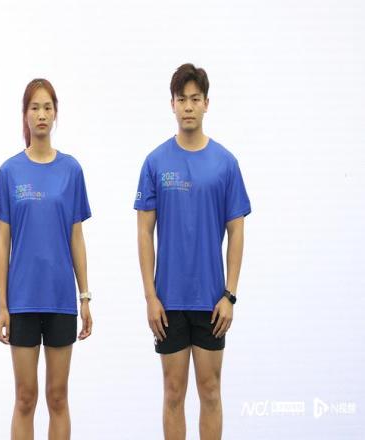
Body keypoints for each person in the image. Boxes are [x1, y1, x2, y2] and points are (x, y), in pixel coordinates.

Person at [134, 63, 252, 440]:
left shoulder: (225, 164)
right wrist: (150, 297)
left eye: (195, 99)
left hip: (211, 301)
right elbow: (143, 232)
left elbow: (237, 230)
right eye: (181, 99)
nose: (188, 106)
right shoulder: (155, 162)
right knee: (173, 393)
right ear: (172, 104)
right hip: (168, 302)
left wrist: (229, 295)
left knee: (211, 391)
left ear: (206, 104)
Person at [0, 78, 93, 440]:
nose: (41, 114)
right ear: (25, 114)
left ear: (56, 113)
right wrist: (3, 305)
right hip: (22, 301)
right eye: (34, 107)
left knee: (58, 397)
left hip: (61, 300)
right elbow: (3, 243)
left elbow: (77, 238)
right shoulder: (9, 172)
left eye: (47, 107)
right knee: (25, 397)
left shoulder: (71, 170)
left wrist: (85, 297)